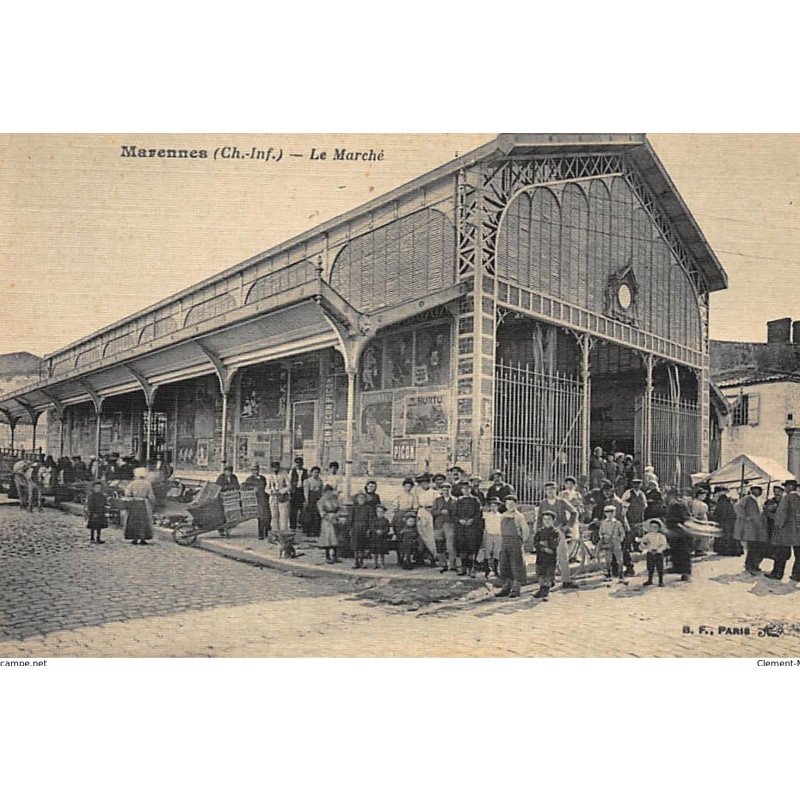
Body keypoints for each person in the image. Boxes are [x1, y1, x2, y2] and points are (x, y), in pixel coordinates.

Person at [537, 481, 580, 589]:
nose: (550, 491)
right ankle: (549, 580)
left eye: (552, 489)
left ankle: (566, 580)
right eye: (547, 489)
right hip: (546, 532)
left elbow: (574, 512)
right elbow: (539, 519)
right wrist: (539, 533)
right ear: (545, 491)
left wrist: (567, 526)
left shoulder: (561, 501)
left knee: (562, 556)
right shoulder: (542, 503)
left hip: (559, 532)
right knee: (547, 557)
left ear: (556, 490)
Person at [496, 495, 530, 598]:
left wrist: (521, 541)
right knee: (505, 564)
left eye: (512, 503)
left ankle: (516, 588)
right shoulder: (503, 515)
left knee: (516, 564)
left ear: (515, 504)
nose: (510, 505)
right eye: (507, 504)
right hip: (505, 541)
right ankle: (506, 587)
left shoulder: (519, 516)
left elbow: (525, 530)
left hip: (515, 541)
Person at [768, 479, 800, 583]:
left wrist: (778, 526)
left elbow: (781, 515)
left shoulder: (786, 498)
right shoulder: (799, 497)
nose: (785, 489)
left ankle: (777, 573)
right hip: (798, 532)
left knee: (781, 553)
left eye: (786, 486)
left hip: (786, 531)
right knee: (799, 555)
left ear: (790, 487)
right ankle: (797, 575)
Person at [734, 485, 768, 575]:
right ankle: (749, 565)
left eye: (761, 490)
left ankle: (754, 565)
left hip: (757, 527)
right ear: (753, 490)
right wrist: (745, 517)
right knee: (752, 547)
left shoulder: (758, 500)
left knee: (756, 546)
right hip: (750, 527)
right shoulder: (747, 498)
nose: (760, 492)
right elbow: (737, 507)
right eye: (758, 490)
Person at [455, 482, 484, 577]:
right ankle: (463, 568)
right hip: (461, 527)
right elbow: (454, 514)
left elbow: (479, 513)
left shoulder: (475, 500)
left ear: (470, 489)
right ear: (461, 490)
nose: (466, 490)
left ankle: (472, 569)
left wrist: (472, 520)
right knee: (462, 547)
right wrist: (459, 520)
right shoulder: (458, 500)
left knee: (471, 547)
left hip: (472, 527)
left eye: (467, 488)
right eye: (463, 489)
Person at [530, 508, 559, 600]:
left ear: (553, 520)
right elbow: (535, 542)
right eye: (545, 519)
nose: (546, 521)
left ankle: (546, 591)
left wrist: (544, 544)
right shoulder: (540, 531)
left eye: (549, 519)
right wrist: (543, 546)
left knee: (548, 573)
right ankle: (541, 588)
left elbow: (554, 544)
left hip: (550, 558)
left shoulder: (555, 532)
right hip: (541, 556)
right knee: (540, 572)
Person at [124, 467, 156, 545]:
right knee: (143, 521)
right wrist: (152, 503)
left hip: (134, 503)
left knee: (134, 520)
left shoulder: (132, 483)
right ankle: (143, 538)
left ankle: (134, 538)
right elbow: (151, 496)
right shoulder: (147, 483)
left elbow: (127, 493)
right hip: (143, 503)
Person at [663, 501, 694, 581]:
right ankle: (680, 570)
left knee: (680, 552)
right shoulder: (678, 509)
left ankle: (684, 572)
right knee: (678, 552)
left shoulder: (674, 508)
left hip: (679, 533)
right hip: (678, 532)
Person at [598, 504, 628, 584]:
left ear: (614, 513)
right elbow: (600, 532)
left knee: (619, 559)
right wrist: (603, 538)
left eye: (612, 512)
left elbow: (622, 533)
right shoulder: (603, 523)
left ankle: (621, 575)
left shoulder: (617, 523)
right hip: (607, 542)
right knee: (608, 559)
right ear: (605, 513)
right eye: (607, 512)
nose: (610, 514)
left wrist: (619, 540)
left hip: (616, 541)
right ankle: (608, 575)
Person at [433, 481, 458, 573]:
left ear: (451, 490)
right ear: (441, 491)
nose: (446, 491)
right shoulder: (437, 500)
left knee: (450, 546)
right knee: (439, 545)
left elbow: (457, 513)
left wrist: (451, 515)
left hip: (450, 524)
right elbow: (433, 512)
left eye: (447, 490)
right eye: (443, 490)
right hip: (438, 525)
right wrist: (440, 512)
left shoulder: (455, 500)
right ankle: (442, 564)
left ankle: (452, 565)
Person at [414, 473, 439, 564]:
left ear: (429, 483)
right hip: (421, 513)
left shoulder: (434, 492)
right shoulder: (418, 492)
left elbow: (438, 504)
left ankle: (434, 556)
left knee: (430, 536)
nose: (423, 485)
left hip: (431, 514)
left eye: (425, 483)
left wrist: (432, 509)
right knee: (421, 534)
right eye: (421, 483)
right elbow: (416, 504)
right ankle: (420, 556)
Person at [242, 464, 270, 540]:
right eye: (253, 470)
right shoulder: (249, 479)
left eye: (256, 470)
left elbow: (264, 486)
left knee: (267, 516)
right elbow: (245, 487)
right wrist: (252, 488)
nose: (255, 471)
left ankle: (267, 531)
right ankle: (261, 534)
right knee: (260, 517)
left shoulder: (262, 478)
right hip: (255, 499)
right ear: (251, 471)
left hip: (264, 498)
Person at [711, 486, 741, 556]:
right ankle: (733, 550)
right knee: (730, 536)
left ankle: (724, 550)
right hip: (730, 521)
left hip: (724, 521)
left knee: (724, 536)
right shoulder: (729, 503)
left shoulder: (721, 503)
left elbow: (719, 513)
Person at [638, 518, 668, 587]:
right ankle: (650, 580)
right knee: (650, 567)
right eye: (652, 527)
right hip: (650, 553)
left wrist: (658, 550)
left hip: (658, 553)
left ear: (658, 528)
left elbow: (664, 545)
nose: (654, 528)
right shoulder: (647, 536)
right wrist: (644, 545)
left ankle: (661, 581)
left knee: (659, 568)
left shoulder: (661, 536)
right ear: (650, 527)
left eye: (656, 527)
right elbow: (643, 543)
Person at [317, 485, 340, 564]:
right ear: (324, 492)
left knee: (336, 538)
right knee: (327, 538)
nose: (329, 494)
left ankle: (335, 555)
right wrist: (330, 519)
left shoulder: (335, 499)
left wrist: (337, 516)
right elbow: (322, 513)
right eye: (327, 492)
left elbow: (339, 508)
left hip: (335, 518)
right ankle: (327, 556)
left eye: (330, 492)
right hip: (327, 521)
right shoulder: (321, 501)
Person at [482, 496, 503, 578]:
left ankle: (495, 569)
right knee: (487, 551)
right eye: (492, 506)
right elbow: (484, 525)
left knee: (496, 552)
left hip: (498, 535)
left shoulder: (500, 516)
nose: (493, 507)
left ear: (498, 507)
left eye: (495, 506)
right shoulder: (486, 515)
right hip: (489, 534)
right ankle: (487, 569)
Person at [350, 492, 373, 569]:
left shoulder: (368, 508)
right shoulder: (354, 507)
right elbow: (351, 519)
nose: (361, 499)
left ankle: (362, 561)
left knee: (362, 546)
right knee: (355, 546)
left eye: (363, 498)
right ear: (357, 499)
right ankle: (356, 562)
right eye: (359, 498)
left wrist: (369, 529)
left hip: (364, 528)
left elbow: (370, 519)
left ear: (365, 499)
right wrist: (350, 529)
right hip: (355, 528)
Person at [302, 466, 324, 537]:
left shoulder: (320, 481)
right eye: (315, 472)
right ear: (311, 473)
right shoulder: (307, 481)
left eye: (318, 472)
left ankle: (316, 531)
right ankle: (309, 531)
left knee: (317, 516)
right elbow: (306, 492)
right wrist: (307, 500)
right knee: (309, 516)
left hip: (317, 500)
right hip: (310, 499)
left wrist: (321, 500)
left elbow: (321, 491)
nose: (316, 474)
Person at [289, 457, 309, 531]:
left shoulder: (306, 471)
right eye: (297, 463)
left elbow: (307, 482)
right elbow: (289, 482)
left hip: (302, 491)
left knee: (303, 510)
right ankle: (292, 527)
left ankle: (303, 527)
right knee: (293, 511)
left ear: (302, 463)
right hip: (294, 492)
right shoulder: (292, 471)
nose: (298, 464)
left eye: (300, 463)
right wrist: (290, 492)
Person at [370, 504, 391, 569]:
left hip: (382, 538)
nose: (379, 513)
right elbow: (372, 527)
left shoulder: (385, 520)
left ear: (384, 513)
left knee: (381, 551)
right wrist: (376, 531)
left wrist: (382, 531)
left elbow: (387, 528)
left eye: (381, 512)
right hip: (375, 537)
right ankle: (375, 563)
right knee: (375, 551)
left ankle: (382, 563)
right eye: (378, 511)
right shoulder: (374, 519)